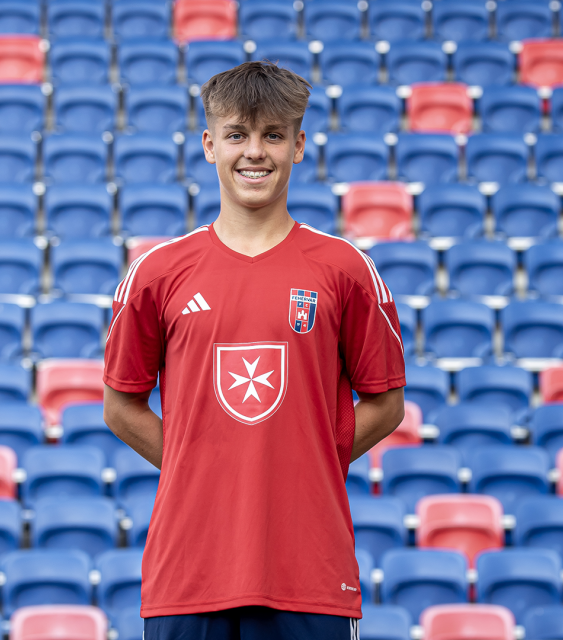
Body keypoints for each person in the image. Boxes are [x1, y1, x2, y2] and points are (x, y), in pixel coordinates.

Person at [103, 61, 406, 640]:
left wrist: (309, 460)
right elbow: (121, 407)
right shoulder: (156, 273)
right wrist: (202, 466)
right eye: (237, 135)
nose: (255, 152)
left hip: (309, 574)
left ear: (299, 146)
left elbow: (386, 403)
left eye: (273, 135)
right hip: (189, 573)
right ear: (209, 145)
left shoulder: (347, 269)